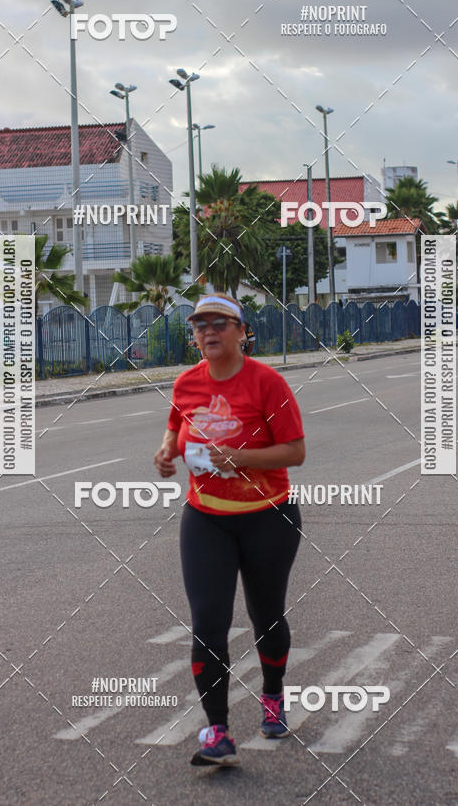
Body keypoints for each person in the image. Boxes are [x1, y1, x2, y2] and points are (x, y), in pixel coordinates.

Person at [153, 293, 305, 766]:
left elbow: (295, 451)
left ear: (242, 332)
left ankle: (273, 694)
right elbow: (176, 424)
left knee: (266, 617)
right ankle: (217, 731)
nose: (208, 331)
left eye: (219, 323)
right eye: (200, 325)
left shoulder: (267, 383)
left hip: (268, 517)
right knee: (207, 624)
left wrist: (240, 458)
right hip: (206, 519)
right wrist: (167, 451)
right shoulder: (186, 383)